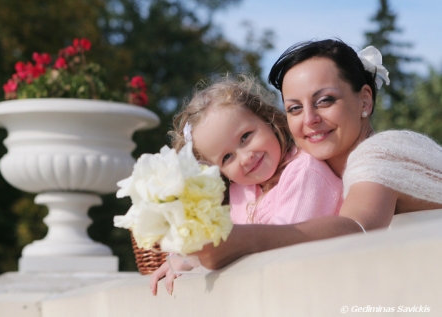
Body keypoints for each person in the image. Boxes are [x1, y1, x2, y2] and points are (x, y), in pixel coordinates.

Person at [152, 39, 442, 293]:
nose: (309, 119)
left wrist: (237, 239)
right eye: (294, 108)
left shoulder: (381, 154)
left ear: (364, 99)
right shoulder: (301, 170)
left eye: (325, 100)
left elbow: (358, 228)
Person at [150, 74, 343, 295]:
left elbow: (281, 240)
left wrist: (202, 254)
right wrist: (183, 257)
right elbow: (219, 238)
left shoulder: (304, 171)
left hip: (320, 289)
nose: (245, 157)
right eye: (227, 158)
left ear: (267, 119)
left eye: (245, 137)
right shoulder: (240, 190)